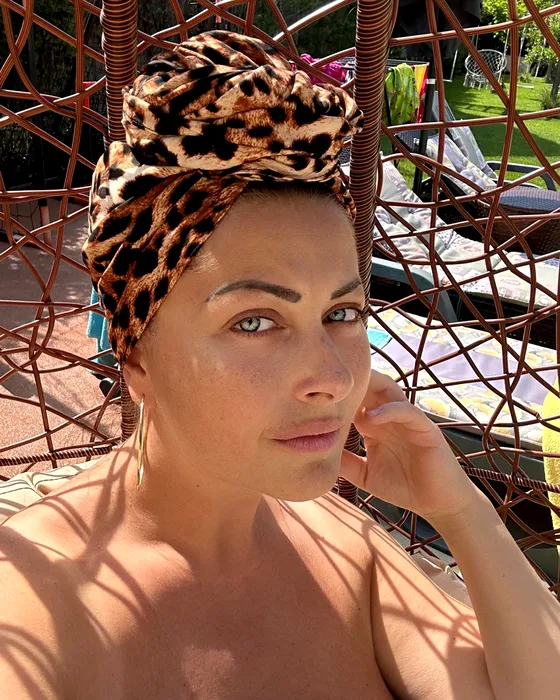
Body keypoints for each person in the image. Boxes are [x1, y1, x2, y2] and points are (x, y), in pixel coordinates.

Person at [0, 30, 559, 700]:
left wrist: (462, 511)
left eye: (342, 313)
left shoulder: (341, 541)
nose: (335, 378)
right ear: (136, 356)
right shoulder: (41, 613)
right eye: (255, 322)